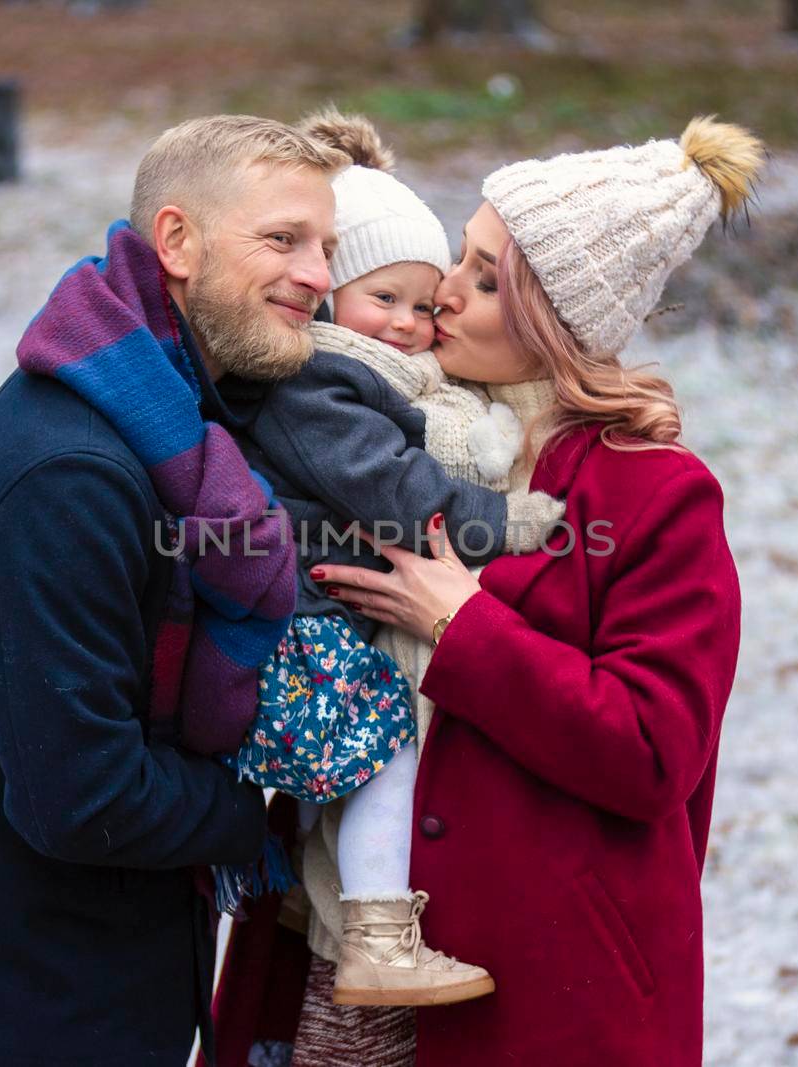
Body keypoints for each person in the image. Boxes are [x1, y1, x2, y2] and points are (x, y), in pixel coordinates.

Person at [211, 116, 758, 1067]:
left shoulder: (653, 493)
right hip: (334, 946)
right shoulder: (380, 434)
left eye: (484, 278)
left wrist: (461, 625)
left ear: (558, 318)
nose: (443, 296)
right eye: (457, 260)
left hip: (541, 982)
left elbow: (651, 751)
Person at [0, 114, 347, 1067]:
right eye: (284, 240)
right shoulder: (72, 472)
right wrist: (254, 818)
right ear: (177, 241)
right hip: (45, 1002)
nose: (320, 276)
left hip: (113, 961)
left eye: (328, 246)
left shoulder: (165, 408)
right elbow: (79, 795)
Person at [213, 108, 564, 1009]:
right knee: (387, 749)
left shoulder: (363, 369)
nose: (409, 324)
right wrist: (509, 521)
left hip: (322, 613)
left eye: (423, 301)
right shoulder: (318, 383)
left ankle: (336, 917)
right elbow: (401, 499)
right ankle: (375, 935)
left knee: (371, 756)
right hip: (307, 622)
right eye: (384, 300)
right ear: (331, 297)